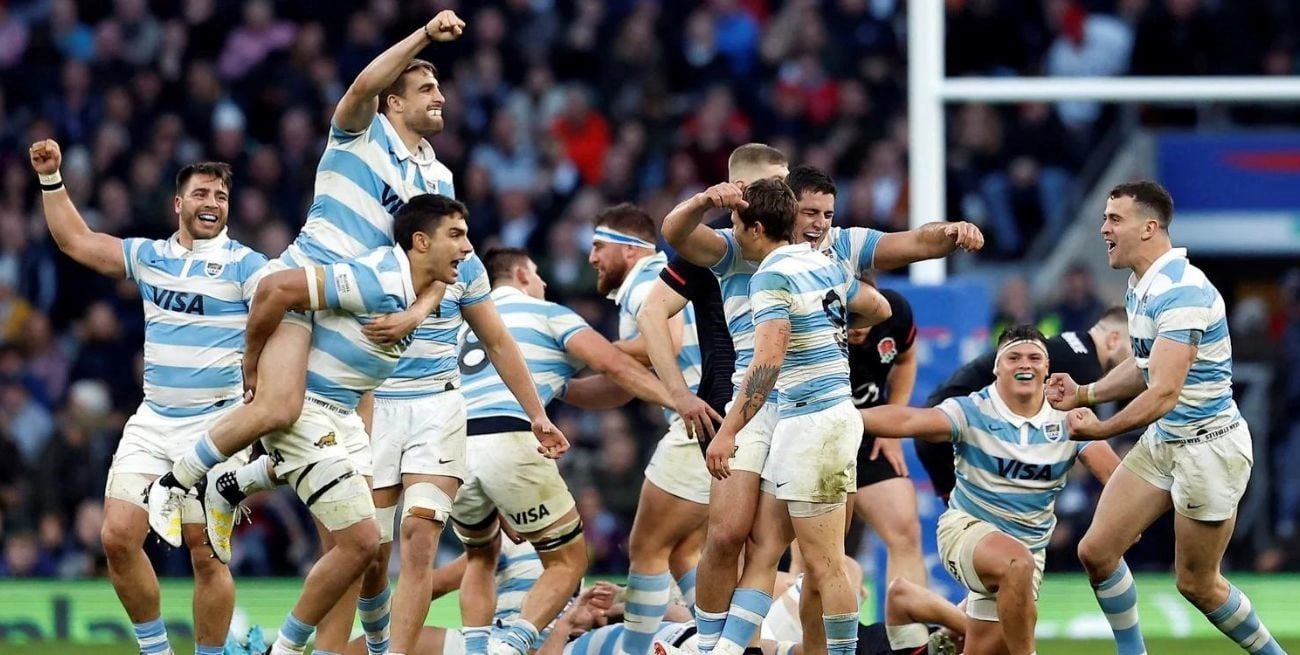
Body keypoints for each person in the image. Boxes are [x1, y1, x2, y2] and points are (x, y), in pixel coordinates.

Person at [145, 7, 481, 542]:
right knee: (280, 407)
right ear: (394, 102)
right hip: (306, 286)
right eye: (426, 88)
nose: (440, 97)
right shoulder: (360, 134)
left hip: (358, 308)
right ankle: (175, 483)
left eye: (439, 88)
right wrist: (423, 34)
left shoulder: (437, 176)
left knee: (344, 449)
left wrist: (414, 316)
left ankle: (235, 483)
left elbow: (440, 260)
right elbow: (363, 86)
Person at [653, 161, 983, 655]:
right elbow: (675, 234)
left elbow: (913, 246)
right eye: (810, 212)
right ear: (787, 211)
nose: (820, 224)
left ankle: (810, 650)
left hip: (808, 411)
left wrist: (951, 233)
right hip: (761, 407)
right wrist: (703, 201)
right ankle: (715, 648)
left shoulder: (832, 251)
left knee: (820, 559)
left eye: (828, 214)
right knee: (733, 537)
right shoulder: (737, 250)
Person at [261, 194, 567, 655]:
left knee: (420, 539)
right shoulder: (371, 265)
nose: (467, 246)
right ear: (421, 239)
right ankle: (372, 646)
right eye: (456, 234)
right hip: (377, 409)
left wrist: (537, 415)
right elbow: (298, 306)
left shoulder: (468, 271)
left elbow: (498, 342)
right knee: (372, 554)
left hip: (438, 408)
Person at [31, 141, 262, 655]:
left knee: (206, 553)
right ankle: (156, 651)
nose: (212, 202)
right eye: (201, 193)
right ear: (178, 204)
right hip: (154, 420)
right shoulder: (150, 257)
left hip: (217, 428)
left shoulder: (248, 266)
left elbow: (286, 307)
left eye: (221, 196)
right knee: (116, 537)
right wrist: (51, 179)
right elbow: (76, 240)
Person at [1047, 181, 1286, 655]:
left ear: (1149, 227)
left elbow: (1163, 391)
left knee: (1197, 584)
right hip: (1167, 438)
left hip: (1208, 450)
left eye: (1114, 219)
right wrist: (1085, 393)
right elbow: (1143, 366)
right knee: (1096, 551)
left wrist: (1101, 428)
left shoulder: (1182, 292)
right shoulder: (1141, 284)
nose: (1103, 229)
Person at [702, 176, 893, 655]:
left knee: (826, 564)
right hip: (815, 418)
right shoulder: (823, 263)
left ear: (756, 228)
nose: (732, 233)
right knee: (765, 549)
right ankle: (720, 652)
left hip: (815, 426)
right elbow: (879, 306)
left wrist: (727, 433)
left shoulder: (769, 276)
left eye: (735, 224)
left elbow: (766, 363)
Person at [453, 247, 676, 655]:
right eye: (538, 274)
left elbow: (587, 389)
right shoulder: (547, 313)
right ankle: (512, 646)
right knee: (568, 561)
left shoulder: (463, 324)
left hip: (453, 449)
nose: (544, 283)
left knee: (480, 557)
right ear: (522, 275)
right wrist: (679, 401)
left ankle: (477, 649)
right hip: (509, 437)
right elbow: (613, 365)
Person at [860, 325, 1119, 655]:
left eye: (1034, 358)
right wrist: (847, 417)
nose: (1024, 364)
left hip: (1028, 553)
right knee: (1015, 564)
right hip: (967, 531)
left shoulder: (1069, 420)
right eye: (1014, 357)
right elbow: (910, 421)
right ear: (997, 367)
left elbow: (1117, 478)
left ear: (1047, 367)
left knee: (989, 641)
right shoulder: (972, 410)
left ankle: (907, 599)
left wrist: (1122, 524)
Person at [587, 203, 705, 655]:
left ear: (629, 249)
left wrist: (595, 349)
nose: (592, 258)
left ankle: (632, 651)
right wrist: (568, 386)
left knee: (646, 547)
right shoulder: (660, 279)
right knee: (683, 553)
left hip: (696, 426)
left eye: (599, 246)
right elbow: (623, 386)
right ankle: (726, 645)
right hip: (720, 424)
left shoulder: (647, 281)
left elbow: (667, 341)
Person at [918, 306, 1131, 500]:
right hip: (953, 430)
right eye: (1134, 351)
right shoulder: (1086, 371)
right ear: (1113, 339)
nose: (1136, 364)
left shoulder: (1074, 345)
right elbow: (1088, 447)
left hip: (939, 423)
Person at [844, 275, 926, 592]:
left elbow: (906, 358)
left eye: (864, 314)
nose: (857, 325)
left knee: (905, 531)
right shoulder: (808, 323)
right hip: (816, 438)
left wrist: (891, 428)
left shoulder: (896, 313)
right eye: (849, 315)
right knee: (816, 554)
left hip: (869, 436)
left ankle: (908, 623)